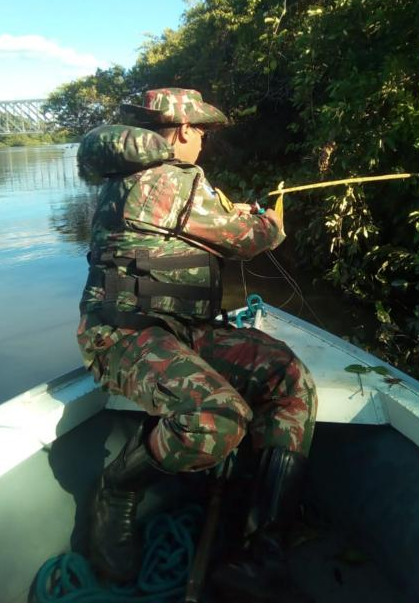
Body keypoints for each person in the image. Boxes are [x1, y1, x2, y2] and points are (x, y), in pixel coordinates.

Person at [76, 87, 317, 602]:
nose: (204, 140)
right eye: (201, 130)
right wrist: (271, 225)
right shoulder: (170, 180)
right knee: (216, 417)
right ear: (182, 129)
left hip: (177, 328)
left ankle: (262, 547)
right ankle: (116, 490)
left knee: (285, 376)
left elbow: (203, 233)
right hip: (122, 333)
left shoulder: (144, 179)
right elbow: (248, 240)